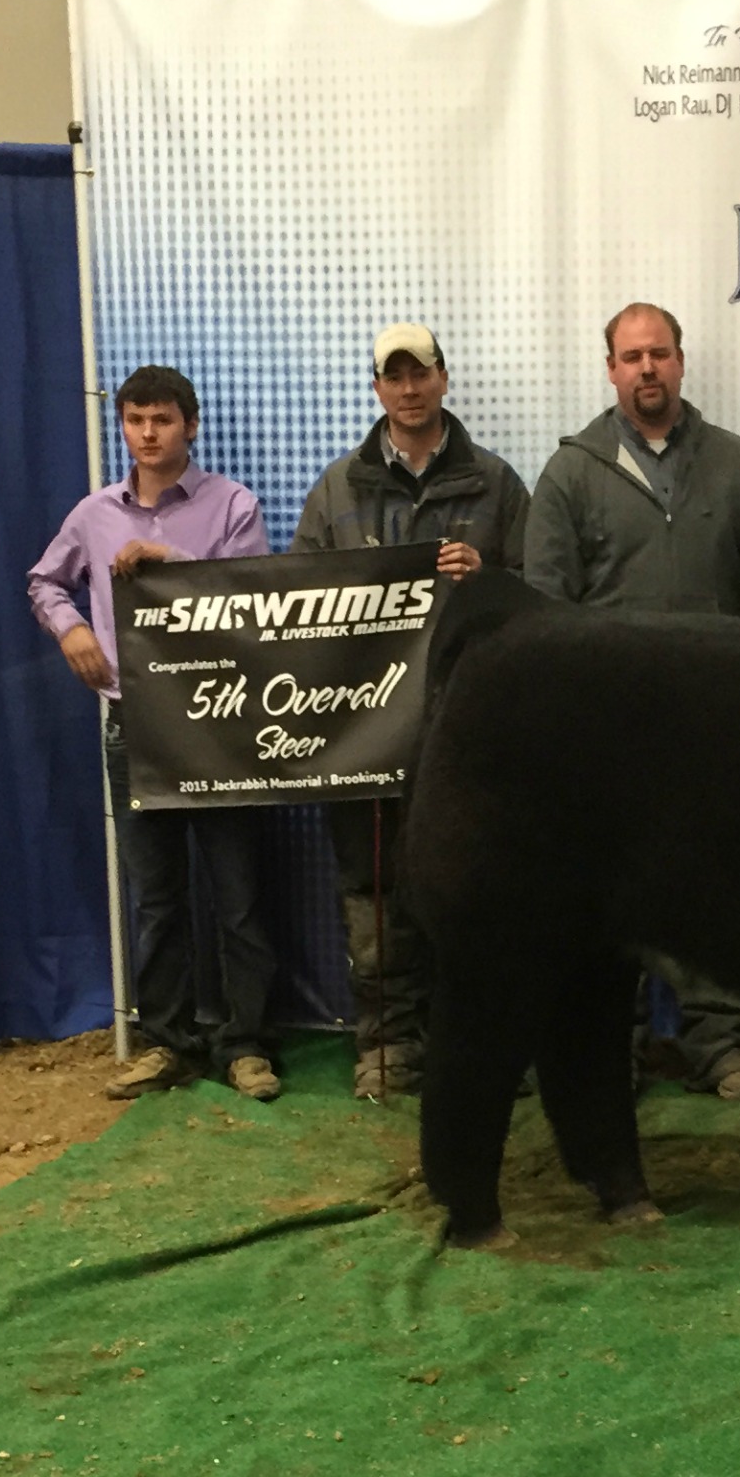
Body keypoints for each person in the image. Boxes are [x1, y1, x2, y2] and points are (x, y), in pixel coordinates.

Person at [527, 303, 740, 1098]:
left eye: (660, 354)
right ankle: (616, 1048)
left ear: (681, 361)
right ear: (610, 369)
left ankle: (720, 1046)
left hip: (718, 721)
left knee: (717, 887)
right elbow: (544, 605)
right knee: (609, 896)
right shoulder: (570, 472)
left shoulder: (739, 465)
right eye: (631, 356)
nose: (647, 368)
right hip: (610, 728)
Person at [27, 363, 282, 1103]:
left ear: (189, 426)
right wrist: (71, 629)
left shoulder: (232, 505)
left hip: (221, 724)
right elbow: (44, 581)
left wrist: (175, 561)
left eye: (162, 420)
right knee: (159, 896)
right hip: (133, 724)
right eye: (135, 420)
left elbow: (258, 598)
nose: (147, 433)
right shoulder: (93, 513)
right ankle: (171, 1043)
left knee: (237, 893)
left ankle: (246, 1045)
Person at [288, 322, 530, 1102]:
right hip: (365, 735)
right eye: (394, 376)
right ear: (378, 389)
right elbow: (296, 608)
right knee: (376, 890)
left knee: (486, 889)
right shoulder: (335, 490)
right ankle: (387, 1050)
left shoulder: (498, 484)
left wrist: (488, 576)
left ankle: (487, 1045)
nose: (409, 387)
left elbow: (541, 595)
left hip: (475, 732)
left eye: (421, 372)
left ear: (444, 378)